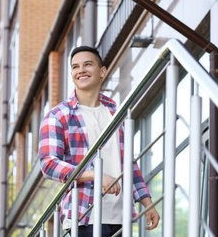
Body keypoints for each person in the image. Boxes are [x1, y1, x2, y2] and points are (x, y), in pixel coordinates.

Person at [39, 45, 160, 236]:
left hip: (121, 215)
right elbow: (48, 164)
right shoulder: (58, 115)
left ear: (102, 71)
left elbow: (128, 163)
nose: (81, 70)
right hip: (85, 215)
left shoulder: (116, 113)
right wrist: (96, 175)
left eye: (88, 64)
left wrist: (147, 202)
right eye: (75, 67)